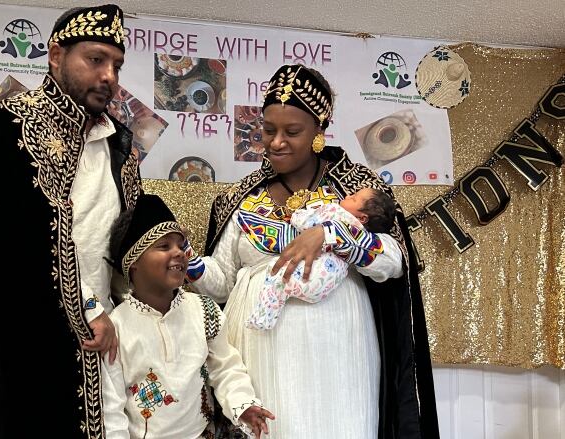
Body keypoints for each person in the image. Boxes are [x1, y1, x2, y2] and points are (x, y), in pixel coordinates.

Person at [185, 65, 439, 438]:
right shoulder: (239, 198)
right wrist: (188, 263)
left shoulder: (358, 190)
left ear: (320, 131)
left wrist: (329, 234)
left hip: (338, 356)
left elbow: (394, 262)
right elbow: (222, 284)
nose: (276, 142)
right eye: (269, 130)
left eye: (292, 132)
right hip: (257, 352)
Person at [0, 5, 142, 438]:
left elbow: (124, 242)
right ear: (54, 55)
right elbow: (15, 241)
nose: (109, 75)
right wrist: (85, 307)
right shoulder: (13, 124)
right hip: (26, 332)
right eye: (95, 59)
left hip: (103, 339)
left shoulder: (120, 146)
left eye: (117, 65)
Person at [101, 194, 274, 439]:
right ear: (134, 262)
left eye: (180, 246)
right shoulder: (115, 328)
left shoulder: (204, 311)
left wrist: (243, 405)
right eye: (164, 246)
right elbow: (112, 406)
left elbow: (225, 367)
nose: (180, 253)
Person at [247, 187, 396, 329]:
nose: (349, 195)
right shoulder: (363, 235)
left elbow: (393, 260)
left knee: (276, 277)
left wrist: (298, 216)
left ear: (363, 218)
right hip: (326, 286)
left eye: (354, 197)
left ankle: (262, 318)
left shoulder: (335, 210)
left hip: (311, 279)